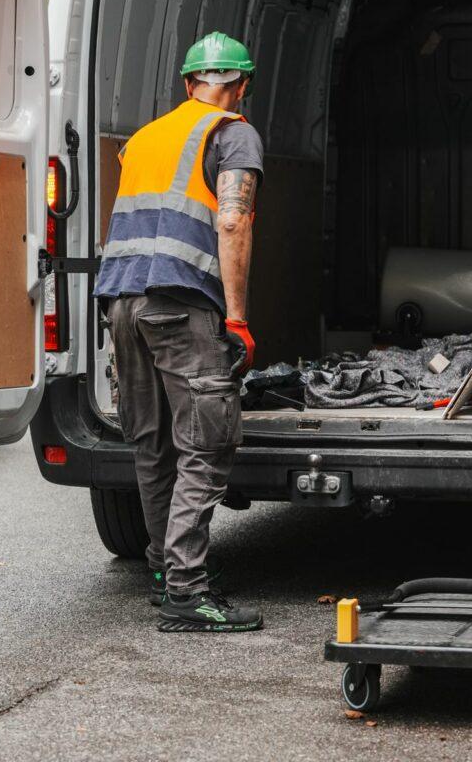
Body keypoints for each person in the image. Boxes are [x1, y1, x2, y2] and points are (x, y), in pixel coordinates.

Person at [94, 32, 264, 633]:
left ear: (188, 84)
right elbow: (233, 221)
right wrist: (237, 318)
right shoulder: (232, 131)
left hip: (121, 304)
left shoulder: (145, 138)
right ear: (240, 85)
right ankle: (188, 593)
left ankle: (167, 571)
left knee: (153, 443)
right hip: (179, 304)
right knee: (208, 441)